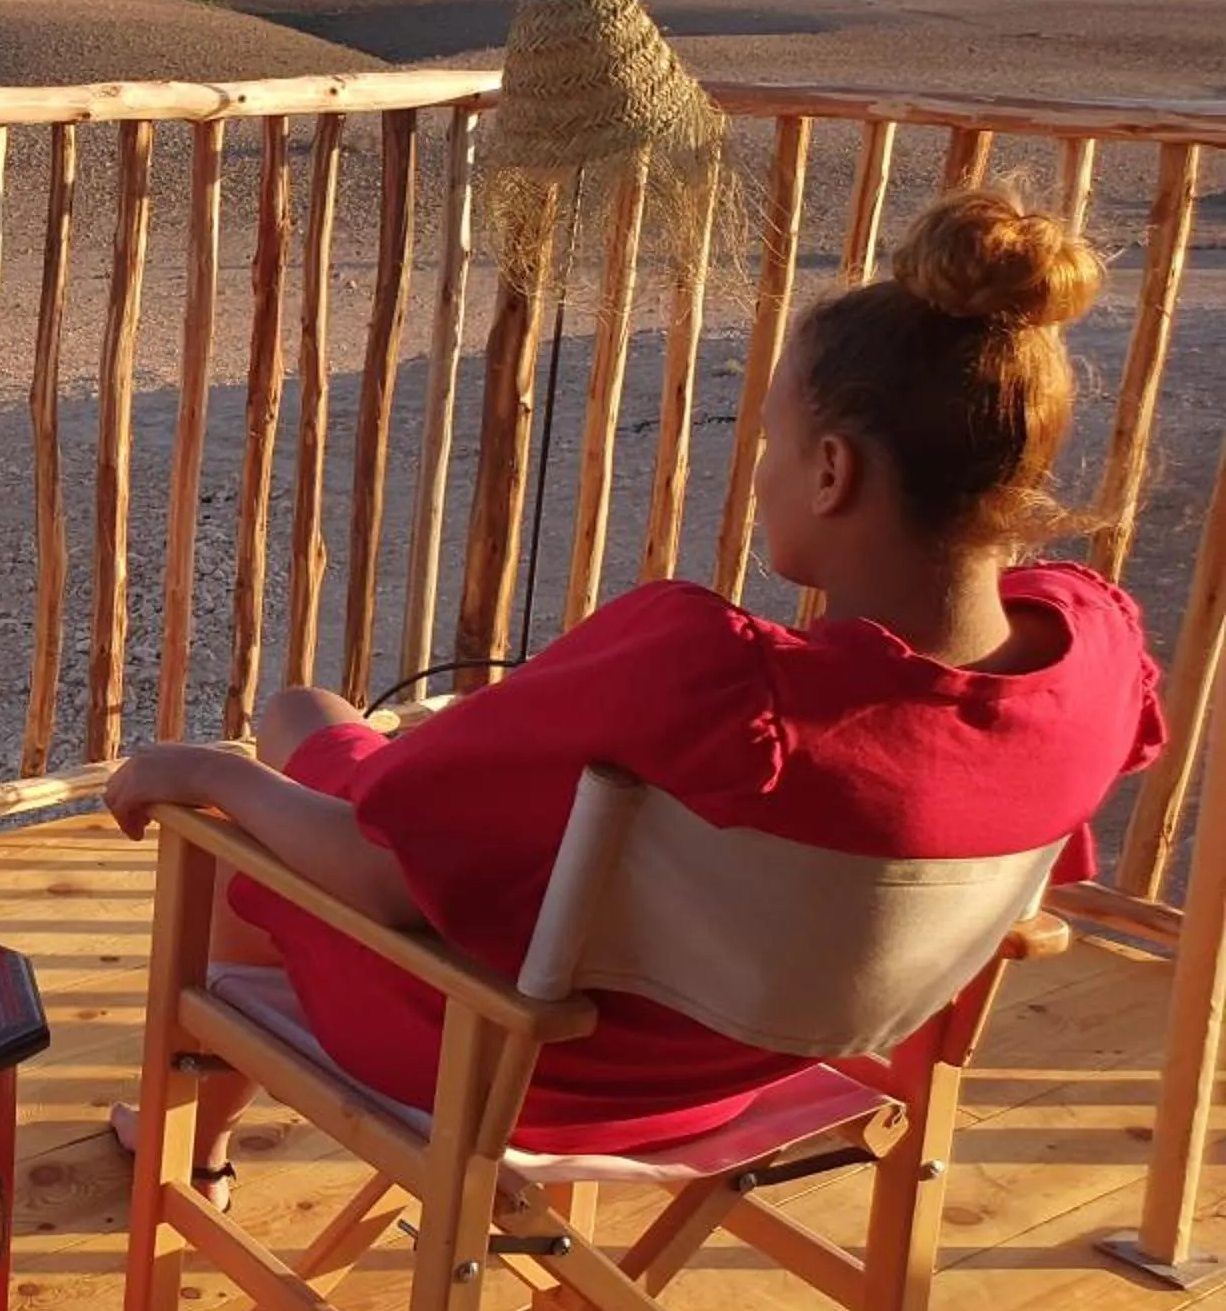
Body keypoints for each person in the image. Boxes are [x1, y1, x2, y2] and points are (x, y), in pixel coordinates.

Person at [103, 188, 1166, 1203]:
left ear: (832, 472)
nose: (760, 474)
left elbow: (383, 881)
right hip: (768, 1065)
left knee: (255, 812)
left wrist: (204, 771)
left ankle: (189, 1141)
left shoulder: (711, 681)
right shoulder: (1097, 656)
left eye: (771, 443)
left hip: (527, 1071)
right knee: (312, 747)